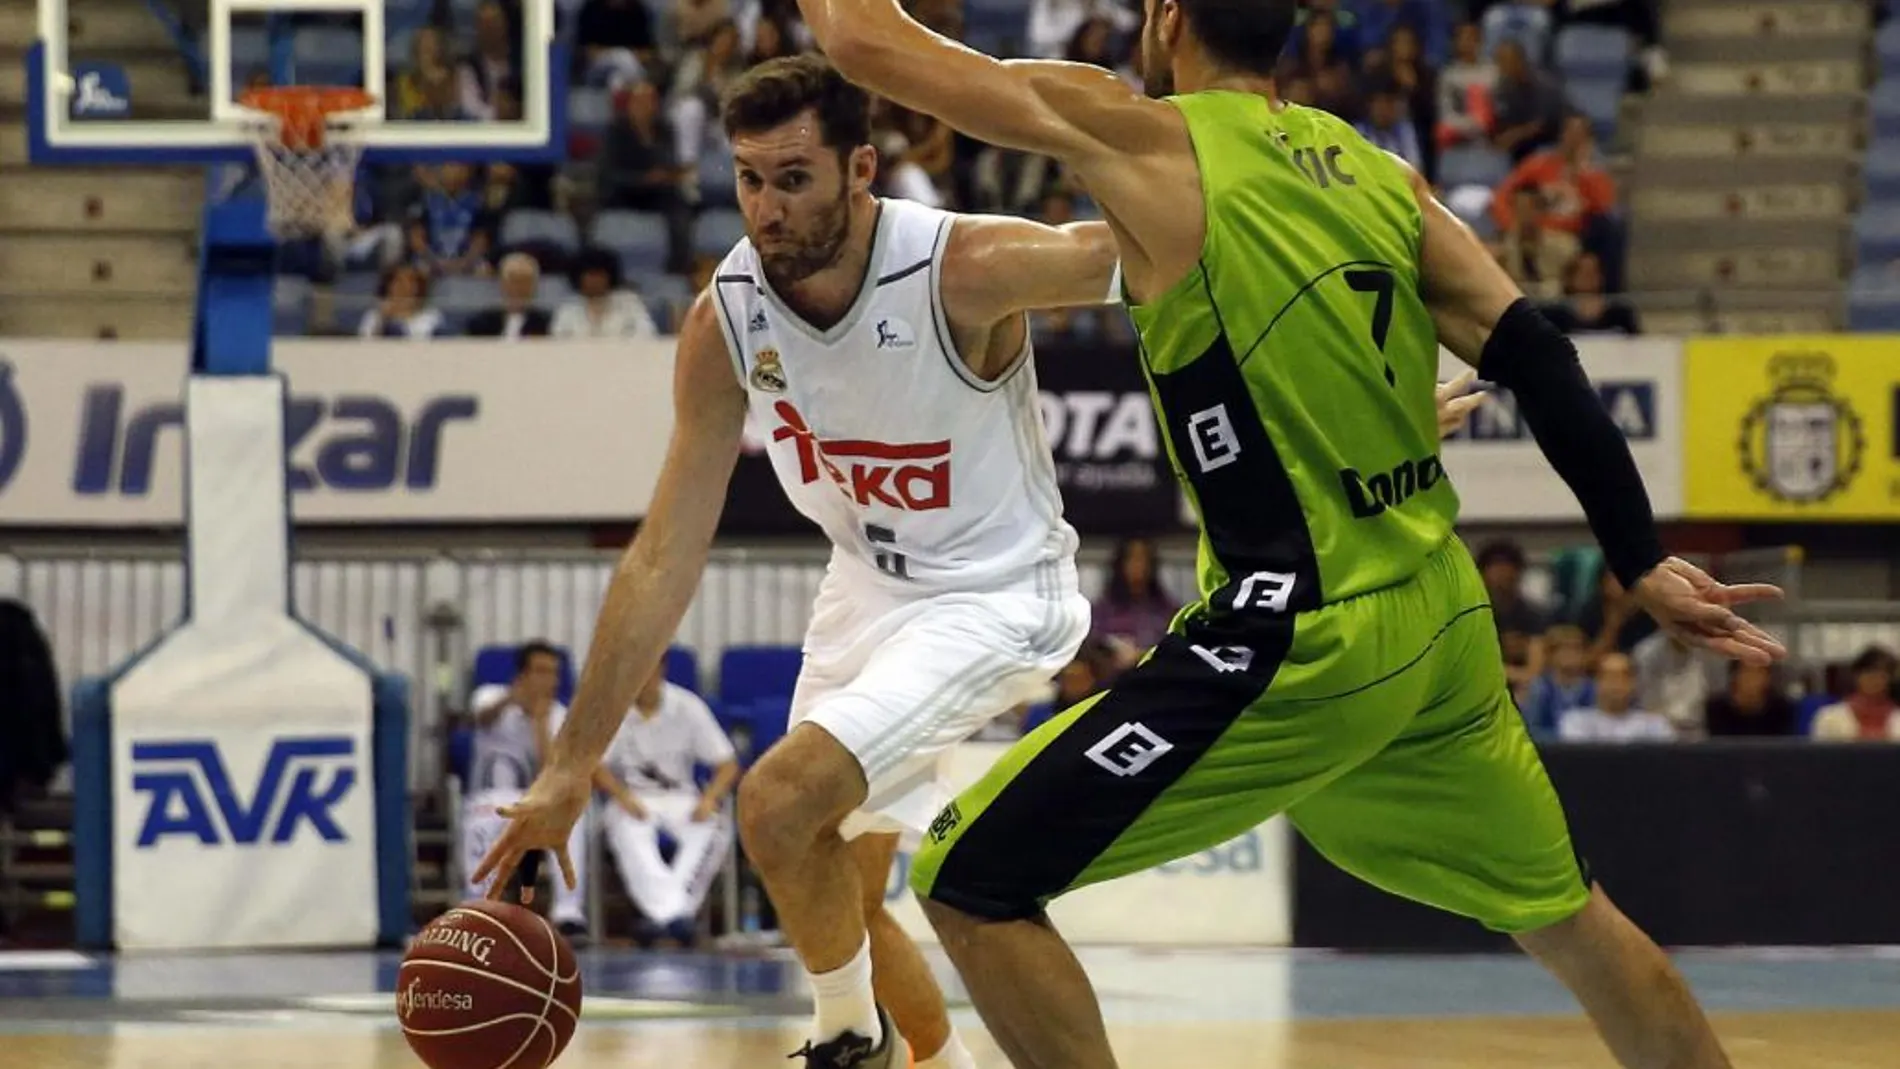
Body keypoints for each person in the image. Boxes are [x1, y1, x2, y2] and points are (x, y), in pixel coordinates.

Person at [786, 3, 1786, 1068]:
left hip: (1300, 630)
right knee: (1573, 922)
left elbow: (860, 42)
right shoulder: (1375, 171)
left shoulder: (1144, 135)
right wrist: (1637, 559)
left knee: (965, 871)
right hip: (1439, 620)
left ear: (1168, 20)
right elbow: (1537, 356)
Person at [469, 54, 1487, 1069]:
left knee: (776, 806)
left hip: (997, 595)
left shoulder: (963, 268)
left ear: (860, 168)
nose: (766, 208)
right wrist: (567, 768)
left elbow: (1187, 249)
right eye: (748, 179)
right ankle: (923, 1054)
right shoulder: (725, 320)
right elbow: (661, 557)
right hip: (862, 588)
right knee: (838, 895)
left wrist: (1364, 403)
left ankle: (842, 1039)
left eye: (793, 178)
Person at [593, 664, 739, 946]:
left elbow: (727, 765)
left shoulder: (687, 706)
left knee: (714, 827)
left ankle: (659, 917)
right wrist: (622, 796)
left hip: (683, 797)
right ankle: (677, 916)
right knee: (629, 831)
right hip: (633, 798)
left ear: (659, 670)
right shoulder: (613, 709)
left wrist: (710, 798)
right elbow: (594, 767)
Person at [459, 641, 590, 941]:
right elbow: (479, 719)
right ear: (522, 674)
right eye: (541, 671)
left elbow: (552, 771)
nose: (549, 680)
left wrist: (540, 722)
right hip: (493, 796)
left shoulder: (560, 715)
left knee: (574, 818)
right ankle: (478, 906)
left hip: (539, 801)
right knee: (485, 815)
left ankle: (568, 914)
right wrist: (513, 700)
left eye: (554, 673)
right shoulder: (490, 696)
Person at [1557, 652, 1674, 742]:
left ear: (1634, 683)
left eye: (1624, 677)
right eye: (1609, 677)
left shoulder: (1655, 724)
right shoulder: (1575, 721)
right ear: (1596, 682)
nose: (1616, 684)